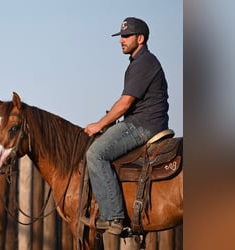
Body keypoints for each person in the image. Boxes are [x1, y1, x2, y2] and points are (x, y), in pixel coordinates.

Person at [80, 17, 169, 235]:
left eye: (126, 36)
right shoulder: (139, 63)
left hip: (143, 125)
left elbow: (125, 103)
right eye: (121, 36)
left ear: (141, 39)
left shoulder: (145, 63)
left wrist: (99, 124)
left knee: (96, 154)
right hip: (142, 121)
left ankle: (114, 218)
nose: (122, 40)